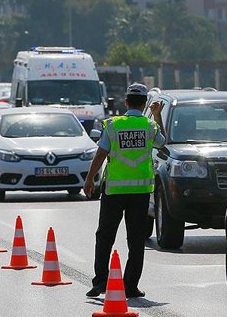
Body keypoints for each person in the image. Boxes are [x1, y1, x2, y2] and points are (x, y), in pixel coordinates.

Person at [83, 83, 166, 298]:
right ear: (145, 103)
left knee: (104, 237)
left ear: (126, 102)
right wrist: (157, 116)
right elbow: (162, 143)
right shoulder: (149, 125)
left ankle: (100, 282)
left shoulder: (113, 125)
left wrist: (90, 179)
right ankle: (130, 286)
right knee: (136, 240)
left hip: (113, 192)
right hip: (139, 192)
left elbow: (101, 154)